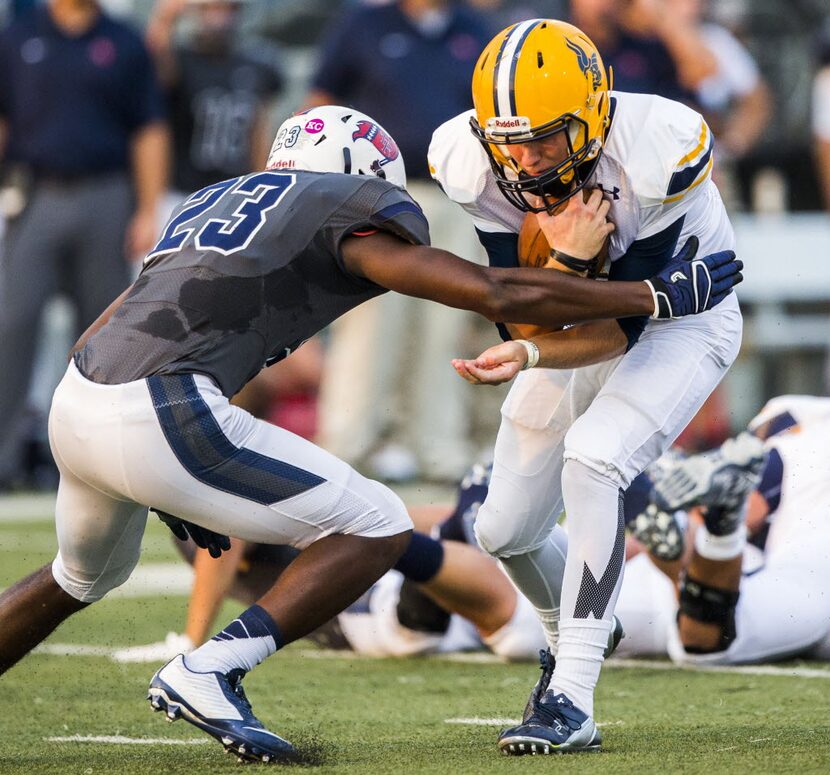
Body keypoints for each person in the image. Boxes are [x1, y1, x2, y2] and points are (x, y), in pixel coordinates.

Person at [0, 104, 739, 764]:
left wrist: (156, 470)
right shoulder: (339, 206)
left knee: (78, 576)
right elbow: (494, 293)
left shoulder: (211, 201)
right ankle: (209, 669)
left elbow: (111, 322)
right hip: (157, 406)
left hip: (80, 398)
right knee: (378, 522)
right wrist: (651, 293)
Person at [429, 19, 744, 754]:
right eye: (512, 142)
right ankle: (578, 631)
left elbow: (628, 332)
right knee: (503, 528)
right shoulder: (471, 161)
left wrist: (611, 304)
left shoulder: (657, 148)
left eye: (546, 138)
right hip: (639, 306)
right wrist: (578, 271)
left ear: (596, 115)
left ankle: (570, 694)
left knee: (596, 457)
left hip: (685, 325)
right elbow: (526, 318)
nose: (527, 160)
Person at [305, 0, 497, 481]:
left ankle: (437, 446)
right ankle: (347, 446)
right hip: (377, 194)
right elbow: (319, 106)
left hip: (457, 196)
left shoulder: (477, 31)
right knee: (369, 324)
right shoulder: (365, 24)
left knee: (445, 326)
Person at [0, 0, 170, 490]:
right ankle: (4, 458)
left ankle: (90, 461)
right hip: (33, 194)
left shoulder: (123, 41)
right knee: (13, 324)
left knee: (102, 336)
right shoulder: (18, 38)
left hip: (106, 196)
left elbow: (149, 129)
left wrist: (147, 209)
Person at [622, 395, 830, 665]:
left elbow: (746, 484)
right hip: (791, 566)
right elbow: (749, 496)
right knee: (705, 643)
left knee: (572, 621)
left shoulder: (792, 411)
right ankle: (708, 543)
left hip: (754, 558)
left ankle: (694, 542)